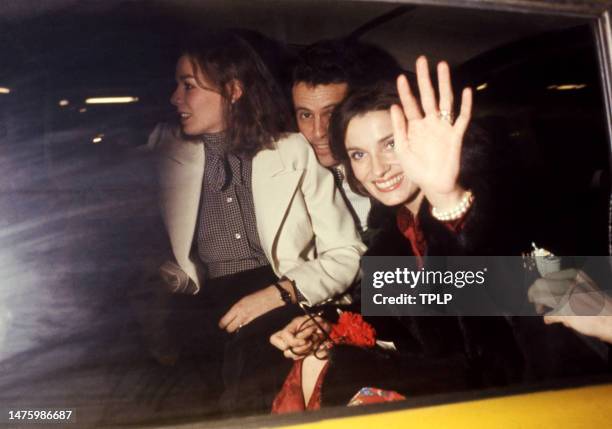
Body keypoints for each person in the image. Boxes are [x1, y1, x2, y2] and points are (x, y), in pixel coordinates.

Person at [147, 31, 365, 415]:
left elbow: (353, 256)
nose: (317, 133)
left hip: (288, 292)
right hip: (209, 303)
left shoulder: (296, 152)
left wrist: (283, 295)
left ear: (234, 90)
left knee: (246, 391)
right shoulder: (166, 154)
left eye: (188, 86)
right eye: (305, 115)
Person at [291, 39, 402, 239]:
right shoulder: (288, 182)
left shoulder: (394, 174)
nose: (318, 132)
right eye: (306, 115)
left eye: (331, 113)